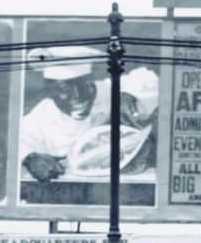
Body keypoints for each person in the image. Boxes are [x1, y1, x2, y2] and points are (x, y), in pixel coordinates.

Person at [19, 45, 158, 183]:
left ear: (92, 81)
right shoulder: (41, 116)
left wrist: (128, 94)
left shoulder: (108, 90)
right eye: (64, 89)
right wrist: (30, 158)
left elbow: (150, 78)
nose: (78, 95)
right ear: (49, 92)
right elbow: (18, 142)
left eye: (84, 85)